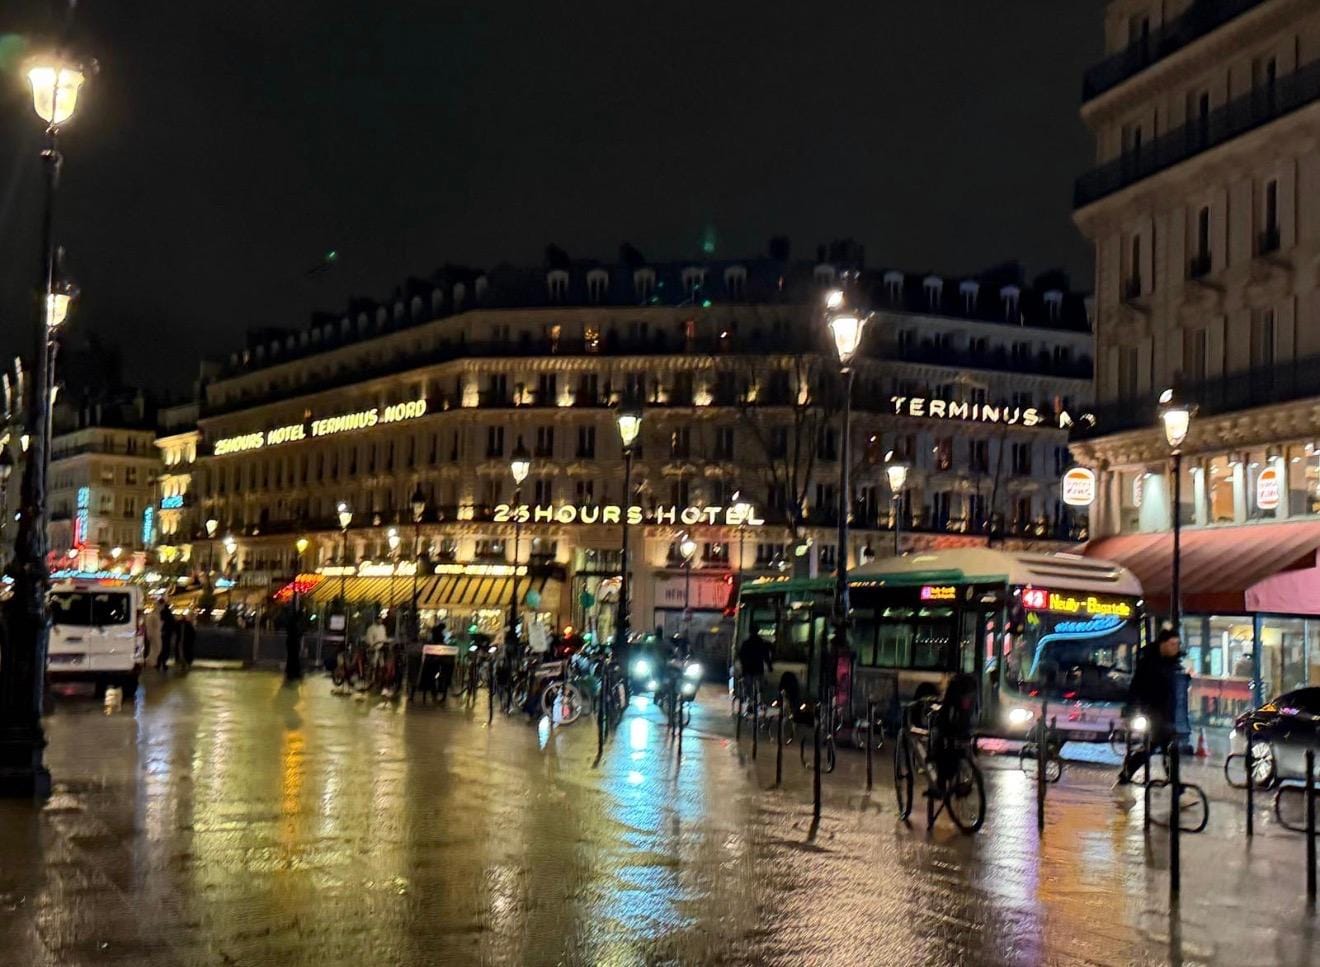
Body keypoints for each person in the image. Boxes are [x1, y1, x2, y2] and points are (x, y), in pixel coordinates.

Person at [1116, 628, 1183, 786]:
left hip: (1167, 712)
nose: (1176, 647)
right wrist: (1131, 711)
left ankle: (1128, 773)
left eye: (1177, 644)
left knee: (1159, 746)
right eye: (1172, 644)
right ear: (1163, 644)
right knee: (1160, 744)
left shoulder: (1173, 663)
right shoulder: (1149, 662)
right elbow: (1136, 687)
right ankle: (1174, 784)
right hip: (1152, 711)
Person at [737, 630, 773, 706]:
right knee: (760, 685)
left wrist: (742, 666)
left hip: (748, 669)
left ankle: (749, 700)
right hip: (758, 668)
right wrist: (769, 666)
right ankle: (759, 700)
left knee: (748, 686)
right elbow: (766, 656)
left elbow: (741, 656)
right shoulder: (761, 643)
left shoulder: (746, 643)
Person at [155, 604, 176, 672]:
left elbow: (161, 620)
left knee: (163, 648)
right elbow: (173, 624)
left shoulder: (162, 613)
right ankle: (163, 663)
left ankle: (158, 663)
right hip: (168, 633)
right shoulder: (170, 615)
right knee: (166, 649)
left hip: (163, 632)